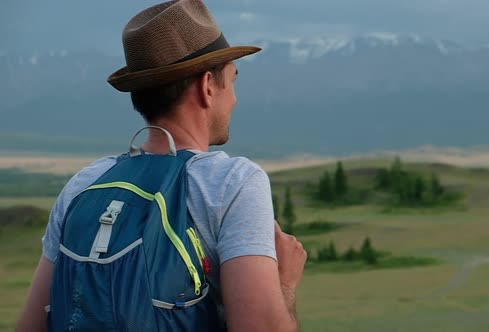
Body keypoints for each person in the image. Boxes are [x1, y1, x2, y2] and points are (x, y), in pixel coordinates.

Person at [17, 0, 307, 331]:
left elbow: (30, 325)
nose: (235, 99)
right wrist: (285, 284)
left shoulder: (86, 183)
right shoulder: (233, 183)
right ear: (208, 86)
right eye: (233, 80)